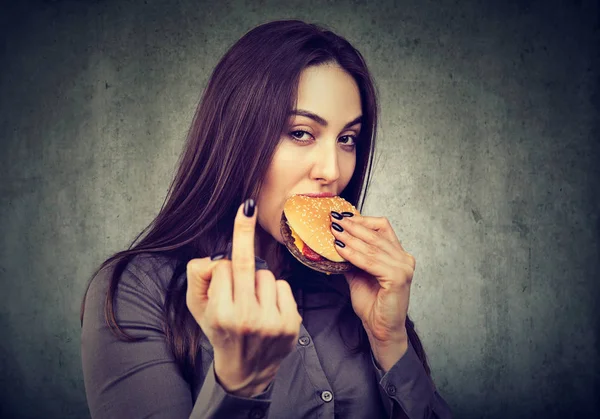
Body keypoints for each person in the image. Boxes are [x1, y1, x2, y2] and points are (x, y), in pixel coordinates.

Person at [80, 19, 453, 419]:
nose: (332, 170)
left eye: (347, 139)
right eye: (300, 132)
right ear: (237, 136)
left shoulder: (358, 290)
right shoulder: (136, 292)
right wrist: (237, 387)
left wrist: (390, 340)